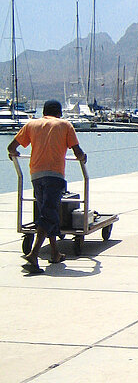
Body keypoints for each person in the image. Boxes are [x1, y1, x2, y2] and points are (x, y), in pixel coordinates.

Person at [7, 100, 87, 274]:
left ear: (44, 112)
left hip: (36, 174)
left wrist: (14, 154)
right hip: (54, 175)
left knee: (47, 212)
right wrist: (83, 157)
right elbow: (77, 152)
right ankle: (33, 255)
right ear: (59, 113)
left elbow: (11, 147)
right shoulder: (65, 125)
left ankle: (54, 252)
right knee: (49, 214)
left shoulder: (32, 124)